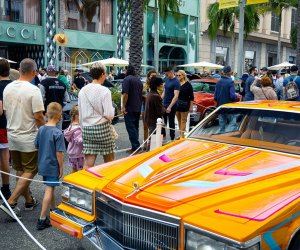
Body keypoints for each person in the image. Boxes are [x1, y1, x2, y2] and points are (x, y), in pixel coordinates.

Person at [1, 58, 45, 219]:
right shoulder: (33, 90)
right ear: (34, 72)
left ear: (19, 70)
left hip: (12, 134)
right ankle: (11, 202)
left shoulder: (8, 88)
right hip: (28, 136)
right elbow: (39, 116)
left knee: (21, 170)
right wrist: (45, 132)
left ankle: (28, 200)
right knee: (31, 169)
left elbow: (6, 111)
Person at [78, 62, 115, 167]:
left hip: (87, 128)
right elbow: (109, 114)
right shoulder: (105, 91)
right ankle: (108, 182)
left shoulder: (83, 91)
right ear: (102, 74)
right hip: (102, 127)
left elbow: (80, 112)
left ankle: (86, 182)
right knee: (109, 162)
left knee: (88, 162)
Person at [35, 102, 65, 230]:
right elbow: (59, 154)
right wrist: (61, 167)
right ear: (60, 116)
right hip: (52, 165)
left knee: (50, 187)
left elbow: (36, 145)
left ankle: (53, 209)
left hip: (42, 164)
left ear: (47, 114)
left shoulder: (41, 129)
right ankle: (42, 219)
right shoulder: (57, 133)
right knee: (49, 189)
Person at [39, 65, 70, 130]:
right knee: (58, 134)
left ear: (47, 72)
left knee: (48, 135)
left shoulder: (43, 83)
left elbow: (41, 99)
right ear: (56, 72)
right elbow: (66, 99)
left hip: (47, 114)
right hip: (59, 114)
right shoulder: (62, 83)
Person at [122, 65, 143, 154]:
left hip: (130, 107)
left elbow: (125, 94)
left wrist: (123, 106)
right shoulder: (138, 80)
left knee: (131, 128)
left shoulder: (127, 79)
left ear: (127, 70)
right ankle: (136, 146)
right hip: (138, 106)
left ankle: (136, 147)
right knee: (135, 127)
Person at [0, 59, 12, 200]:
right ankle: (6, 187)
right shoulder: (13, 85)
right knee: (5, 157)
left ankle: (6, 188)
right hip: (12, 125)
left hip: (1, 124)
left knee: (3, 157)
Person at [214, 66, 238, 133]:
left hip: (220, 107)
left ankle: (221, 137)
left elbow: (215, 97)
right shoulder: (230, 82)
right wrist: (236, 96)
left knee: (222, 126)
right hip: (229, 107)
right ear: (230, 73)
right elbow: (232, 96)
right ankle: (227, 136)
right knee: (233, 123)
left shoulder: (218, 82)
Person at [144, 77, 165, 151]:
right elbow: (160, 111)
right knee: (153, 141)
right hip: (154, 121)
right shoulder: (156, 96)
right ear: (157, 85)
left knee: (153, 140)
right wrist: (165, 109)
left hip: (149, 119)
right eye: (161, 84)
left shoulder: (150, 94)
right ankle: (148, 156)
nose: (163, 85)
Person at [64, 105, 84, 173]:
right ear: (77, 116)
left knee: (74, 170)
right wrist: (86, 138)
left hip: (72, 153)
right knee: (81, 171)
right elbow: (79, 141)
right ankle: (78, 182)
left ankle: (71, 181)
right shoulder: (77, 129)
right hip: (78, 154)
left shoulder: (70, 127)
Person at [162, 67, 180, 141]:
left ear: (171, 72)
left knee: (171, 122)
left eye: (167, 74)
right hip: (164, 103)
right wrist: (160, 99)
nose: (166, 75)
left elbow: (176, 96)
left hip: (171, 105)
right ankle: (163, 137)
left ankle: (172, 138)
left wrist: (170, 107)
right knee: (162, 122)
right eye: (165, 74)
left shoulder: (176, 82)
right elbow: (165, 91)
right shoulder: (167, 79)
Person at [175, 70, 194, 139]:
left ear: (183, 75)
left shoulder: (188, 84)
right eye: (177, 75)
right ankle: (180, 134)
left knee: (183, 120)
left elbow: (191, 96)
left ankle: (182, 135)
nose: (178, 77)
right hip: (177, 104)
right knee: (179, 120)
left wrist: (191, 106)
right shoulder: (176, 84)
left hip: (185, 104)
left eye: (179, 75)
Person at [141, 70, 157, 150]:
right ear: (149, 76)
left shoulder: (158, 85)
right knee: (145, 126)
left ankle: (152, 143)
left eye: (155, 75)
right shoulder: (145, 85)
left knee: (154, 126)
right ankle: (145, 142)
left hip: (154, 107)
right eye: (152, 75)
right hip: (145, 106)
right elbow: (142, 94)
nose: (153, 76)